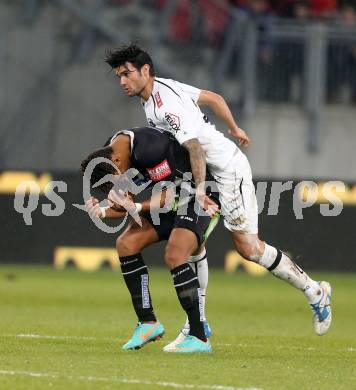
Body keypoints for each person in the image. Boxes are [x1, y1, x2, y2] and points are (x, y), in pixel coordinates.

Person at [104, 44, 332, 337]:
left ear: (145, 71)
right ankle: (196, 324)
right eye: (118, 76)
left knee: (249, 248)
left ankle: (314, 292)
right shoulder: (159, 91)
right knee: (191, 244)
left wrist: (200, 191)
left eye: (126, 74)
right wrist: (233, 128)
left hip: (226, 171)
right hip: (202, 174)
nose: (122, 81)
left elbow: (196, 148)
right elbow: (213, 98)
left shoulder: (164, 104)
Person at [81, 126, 221, 352]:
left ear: (116, 159)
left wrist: (134, 205)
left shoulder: (149, 148)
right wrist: (103, 211)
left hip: (198, 197)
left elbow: (170, 196)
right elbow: (124, 202)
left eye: (117, 176)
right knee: (126, 244)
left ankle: (198, 335)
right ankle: (148, 322)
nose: (120, 182)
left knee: (175, 254)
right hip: (170, 200)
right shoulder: (114, 149)